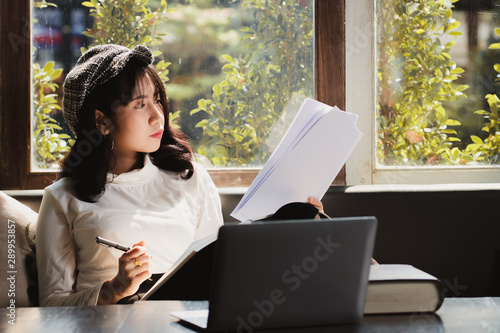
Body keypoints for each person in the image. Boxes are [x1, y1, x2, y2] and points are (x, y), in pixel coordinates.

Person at [36, 44, 325, 307]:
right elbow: (51, 304)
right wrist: (113, 289)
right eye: (140, 104)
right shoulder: (63, 198)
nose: (157, 115)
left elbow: (218, 274)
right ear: (102, 121)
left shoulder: (191, 177)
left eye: (157, 99)